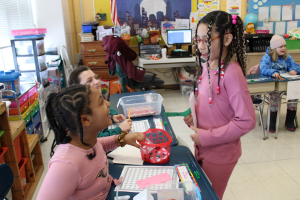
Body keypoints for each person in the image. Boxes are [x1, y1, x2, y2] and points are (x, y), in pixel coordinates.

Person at [184, 11, 256, 199]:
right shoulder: (209, 64)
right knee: (199, 193)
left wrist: (207, 137)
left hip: (220, 154)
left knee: (209, 196)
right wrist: (194, 115)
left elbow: (246, 121)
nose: (200, 46)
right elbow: (212, 103)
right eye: (198, 40)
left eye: (206, 40)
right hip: (203, 146)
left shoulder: (232, 74)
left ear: (227, 39)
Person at [37, 85, 145, 199]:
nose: (108, 104)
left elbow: (98, 146)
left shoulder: (86, 141)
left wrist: (122, 139)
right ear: (85, 120)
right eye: (101, 102)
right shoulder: (65, 165)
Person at [68, 66, 132, 137]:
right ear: (78, 90)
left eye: (95, 78)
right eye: (89, 81)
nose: (97, 82)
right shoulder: (83, 114)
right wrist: (119, 129)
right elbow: (97, 138)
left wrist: (113, 116)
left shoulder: (94, 98)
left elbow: (105, 108)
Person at [260, 35, 300, 132]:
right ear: (274, 48)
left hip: (286, 84)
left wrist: (294, 70)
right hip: (274, 86)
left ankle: (289, 121)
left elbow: (295, 66)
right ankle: (272, 123)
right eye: (280, 46)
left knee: (294, 94)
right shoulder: (267, 57)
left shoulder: (287, 57)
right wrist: (273, 72)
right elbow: (263, 68)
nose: (283, 48)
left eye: (284, 46)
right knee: (275, 96)